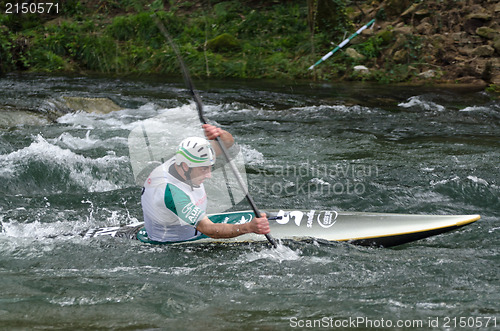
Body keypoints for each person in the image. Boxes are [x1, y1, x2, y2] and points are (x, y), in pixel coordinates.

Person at [141, 123, 270, 243]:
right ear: (186, 167)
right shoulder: (172, 194)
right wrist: (248, 228)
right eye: (204, 169)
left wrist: (219, 134)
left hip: (192, 228)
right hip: (176, 244)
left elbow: (227, 142)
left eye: (210, 167)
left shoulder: (184, 159)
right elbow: (208, 229)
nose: (209, 175)